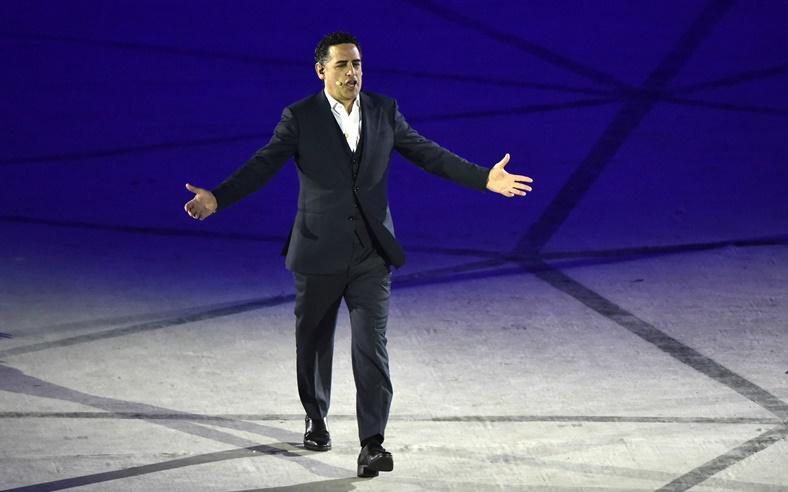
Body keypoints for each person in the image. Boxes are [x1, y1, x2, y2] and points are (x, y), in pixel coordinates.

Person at [183, 32, 533, 478]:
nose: (353, 73)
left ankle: (373, 443)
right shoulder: (301, 117)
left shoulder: (383, 111)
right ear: (321, 71)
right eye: (343, 65)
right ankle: (316, 415)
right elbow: (264, 163)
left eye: (358, 64)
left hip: (371, 253)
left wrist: (483, 178)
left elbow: (427, 153)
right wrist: (219, 197)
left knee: (372, 348)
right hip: (316, 252)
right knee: (312, 345)